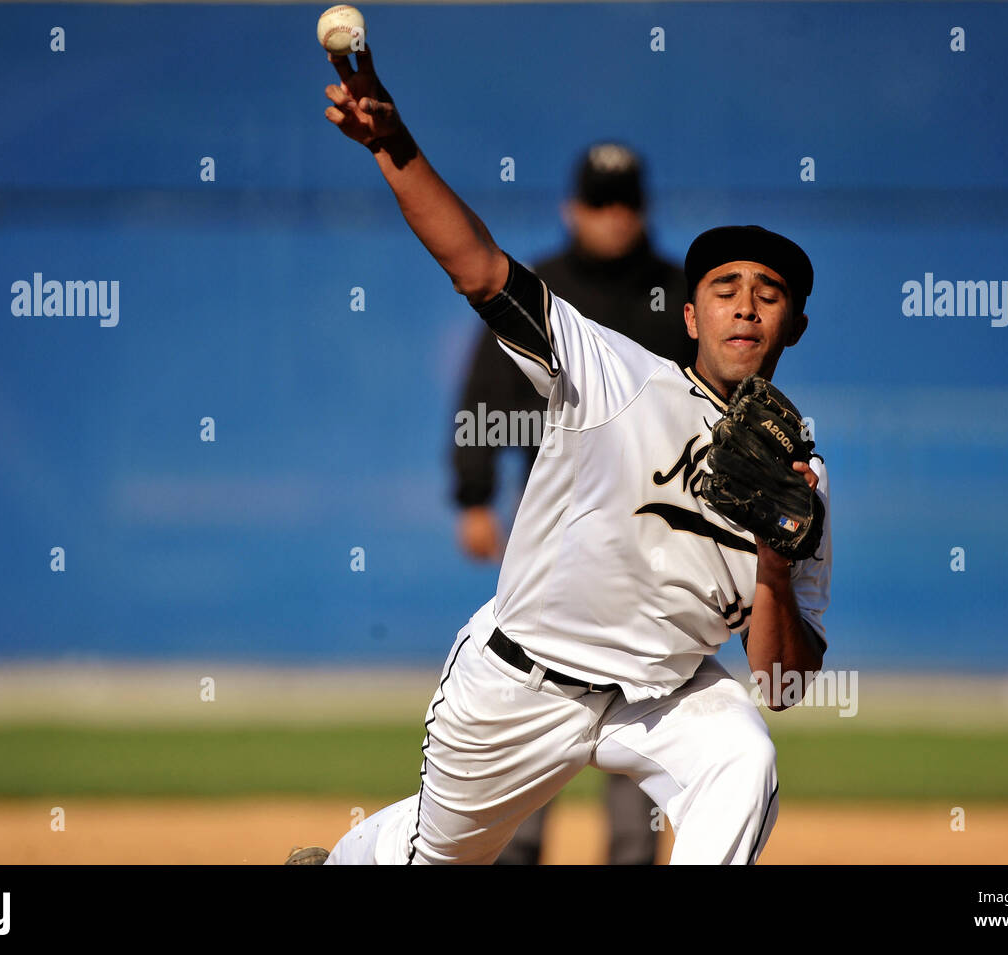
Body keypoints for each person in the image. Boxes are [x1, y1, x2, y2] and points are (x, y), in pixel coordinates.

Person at [316, 45, 831, 866]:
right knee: (431, 858)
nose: (745, 306)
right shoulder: (615, 374)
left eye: (768, 294)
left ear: (793, 325)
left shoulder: (802, 481)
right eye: (724, 288)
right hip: (524, 685)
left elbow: (781, 685)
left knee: (744, 755)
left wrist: (774, 567)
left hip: (659, 698)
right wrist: (392, 143)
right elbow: (477, 267)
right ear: (690, 317)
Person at [452, 142, 693, 865]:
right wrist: (474, 496)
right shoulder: (542, 288)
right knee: (535, 686)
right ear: (571, 208)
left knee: (643, 692)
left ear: (643, 210)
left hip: (653, 537)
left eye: (625, 203)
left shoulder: (679, 293)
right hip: (552, 529)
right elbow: (483, 396)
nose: (613, 218)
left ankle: (631, 851)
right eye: (599, 202)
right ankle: (517, 848)